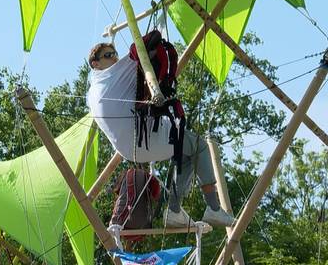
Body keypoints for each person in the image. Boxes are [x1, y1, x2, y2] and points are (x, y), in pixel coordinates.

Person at [86, 42, 235, 228]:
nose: (115, 58)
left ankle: (174, 210)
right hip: (145, 139)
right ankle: (212, 208)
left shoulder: (92, 92)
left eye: (115, 54)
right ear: (95, 64)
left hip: (130, 148)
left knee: (188, 154)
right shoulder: (113, 76)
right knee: (200, 146)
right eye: (108, 55)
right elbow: (144, 50)